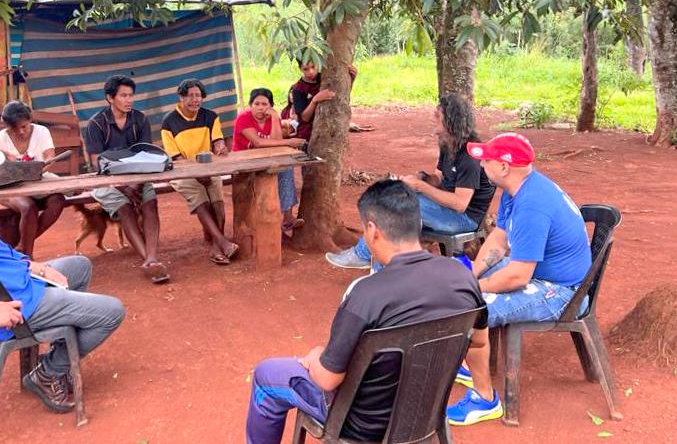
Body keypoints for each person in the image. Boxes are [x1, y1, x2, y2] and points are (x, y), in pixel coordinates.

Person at [245, 180, 486, 444]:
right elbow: (479, 340)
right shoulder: (462, 277)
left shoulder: (365, 294)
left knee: (266, 374)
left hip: (360, 425)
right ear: (417, 224)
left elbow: (327, 380)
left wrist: (315, 358)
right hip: (425, 412)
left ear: (372, 231)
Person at [0, 142, 125, 414]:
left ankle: (59, 354)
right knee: (112, 312)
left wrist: (35, 267)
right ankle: (48, 373)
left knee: (79, 266)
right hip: (16, 301)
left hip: (12, 283)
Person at [445, 132, 592, 426]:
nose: (482, 165)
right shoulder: (517, 190)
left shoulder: (532, 204)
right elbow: (498, 241)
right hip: (540, 273)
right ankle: (466, 359)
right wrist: (471, 274)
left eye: (486, 160)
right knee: (460, 283)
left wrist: (474, 288)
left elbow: (517, 276)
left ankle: (485, 399)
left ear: (503, 167)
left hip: (561, 292)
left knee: (471, 308)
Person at [326, 93, 495, 271]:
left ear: (451, 122)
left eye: (438, 117)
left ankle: (363, 255)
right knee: (396, 197)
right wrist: (421, 178)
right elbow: (439, 177)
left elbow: (460, 204)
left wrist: (420, 187)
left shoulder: (469, 156)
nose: (433, 120)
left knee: (402, 206)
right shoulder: (447, 144)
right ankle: (380, 267)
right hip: (445, 210)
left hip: (463, 219)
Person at [84, 75, 169, 284]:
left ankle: (152, 258)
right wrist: (124, 187)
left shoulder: (139, 119)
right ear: (110, 98)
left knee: (150, 204)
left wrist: (136, 185)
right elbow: (98, 163)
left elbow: (146, 156)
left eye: (131, 95)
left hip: (138, 176)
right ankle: (147, 259)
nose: (129, 100)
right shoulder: (96, 124)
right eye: (123, 95)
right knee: (125, 208)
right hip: (107, 179)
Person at [161, 78, 239, 265]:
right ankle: (221, 242)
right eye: (190, 95)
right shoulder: (169, 122)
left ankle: (215, 246)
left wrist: (220, 147)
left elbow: (217, 141)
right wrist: (196, 173)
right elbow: (175, 157)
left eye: (198, 96)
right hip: (181, 171)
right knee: (199, 195)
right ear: (181, 97)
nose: (195, 99)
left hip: (207, 167)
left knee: (217, 197)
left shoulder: (210, 117)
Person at [0, 101, 66, 257]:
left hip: (37, 182)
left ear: (30, 119)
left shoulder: (42, 132)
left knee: (58, 200)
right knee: (27, 207)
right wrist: (5, 158)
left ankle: (22, 246)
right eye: (14, 129)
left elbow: (49, 157)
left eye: (24, 126)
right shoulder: (0, 139)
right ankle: (27, 253)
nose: (20, 132)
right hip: (8, 187)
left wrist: (41, 166)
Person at [232, 88, 307, 235]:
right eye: (256, 104)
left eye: (265, 104)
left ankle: (287, 218)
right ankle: (262, 223)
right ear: (250, 105)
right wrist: (289, 142)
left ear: (270, 106)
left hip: (265, 160)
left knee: (286, 168)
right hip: (244, 162)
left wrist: (274, 118)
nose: (260, 108)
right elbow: (258, 142)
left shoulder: (273, 118)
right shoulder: (243, 118)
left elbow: (276, 141)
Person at [282, 60, 357, 142]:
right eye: (305, 69)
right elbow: (305, 118)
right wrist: (315, 100)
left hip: (329, 131)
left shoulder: (325, 79)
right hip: (308, 135)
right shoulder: (298, 89)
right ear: (300, 69)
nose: (310, 72)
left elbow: (340, 96)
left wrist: (351, 79)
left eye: (313, 67)